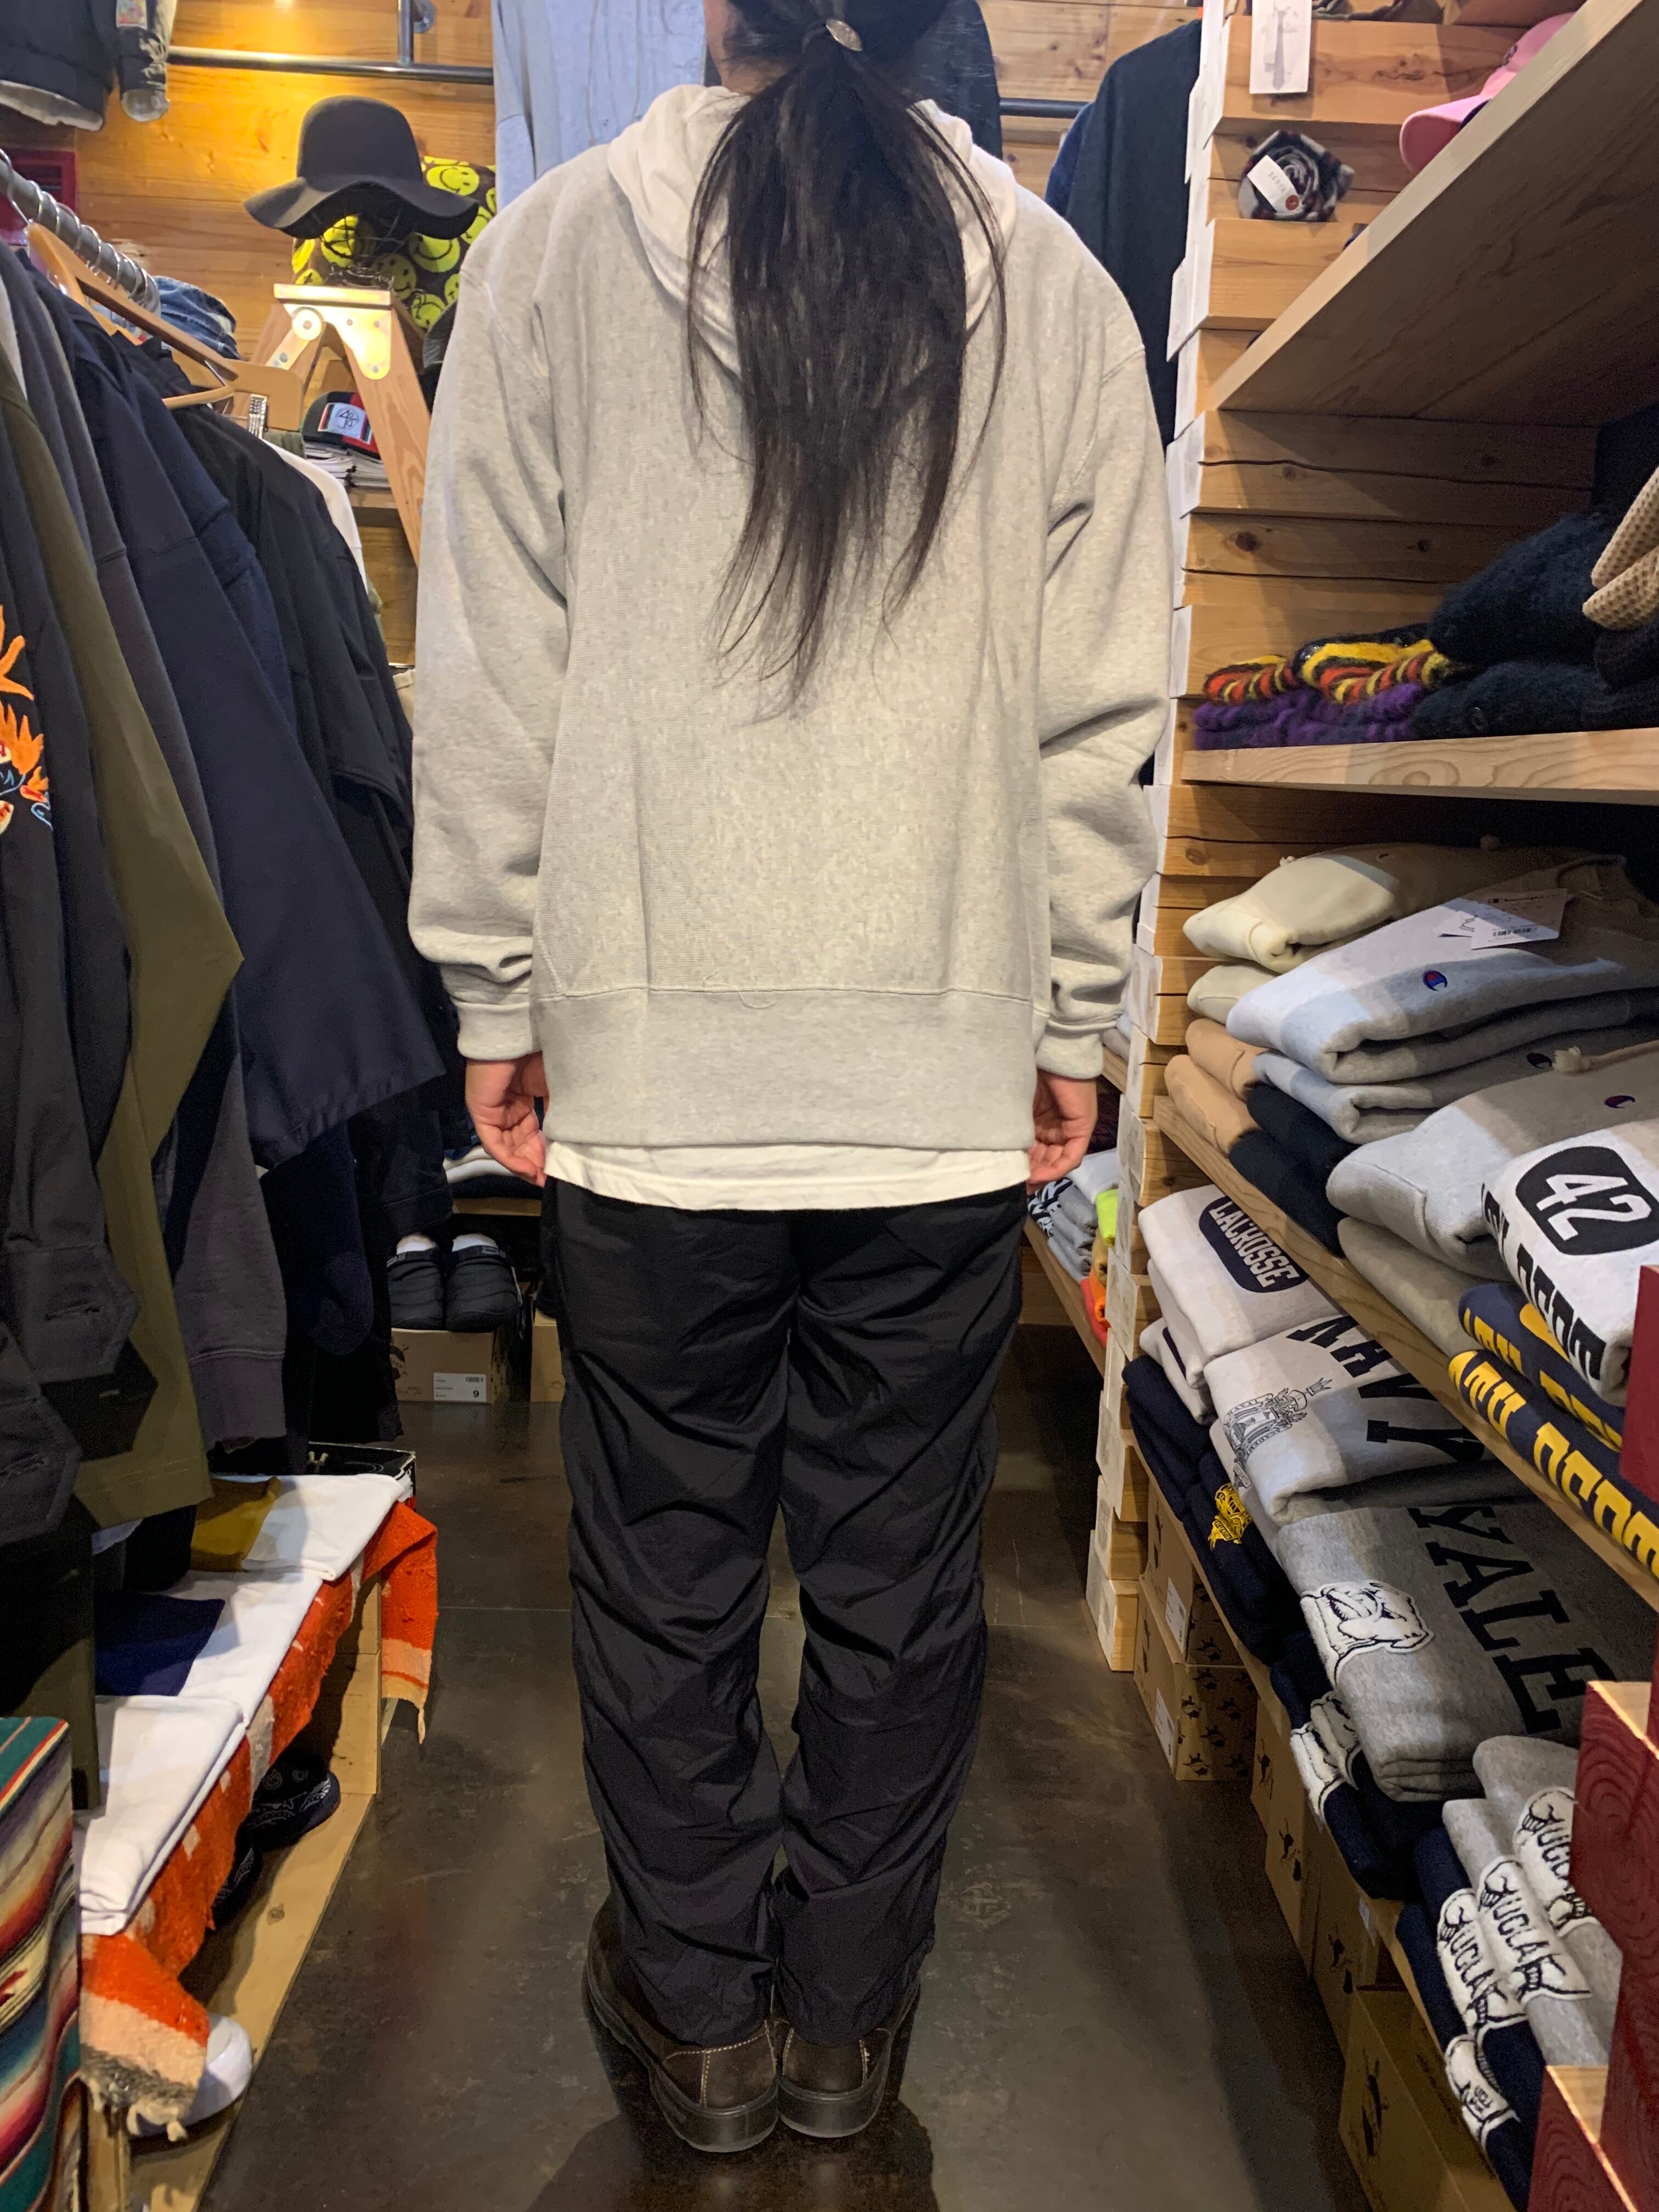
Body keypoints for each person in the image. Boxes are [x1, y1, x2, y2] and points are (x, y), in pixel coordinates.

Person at [409, 0, 1167, 2157]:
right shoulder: (1054, 283)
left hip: (654, 1066)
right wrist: (1068, 1019)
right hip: (934, 1066)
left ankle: (705, 2037)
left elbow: (491, 668)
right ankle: (844, 2035)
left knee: (661, 1570)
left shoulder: (555, 253)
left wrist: (496, 992)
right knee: (903, 1580)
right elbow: (1102, 711)